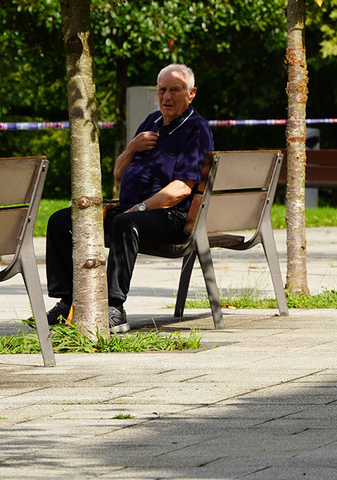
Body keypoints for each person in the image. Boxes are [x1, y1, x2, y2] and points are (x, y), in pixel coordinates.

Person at [44, 63, 214, 333]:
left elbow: (182, 188)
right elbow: (118, 172)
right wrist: (132, 147)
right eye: (162, 90)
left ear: (191, 94)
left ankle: (114, 307)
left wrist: (141, 208)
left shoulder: (196, 129)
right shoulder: (152, 121)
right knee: (61, 221)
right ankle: (68, 302)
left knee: (125, 223)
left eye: (175, 90)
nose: (167, 96)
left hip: (169, 216)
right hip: (129, 210)